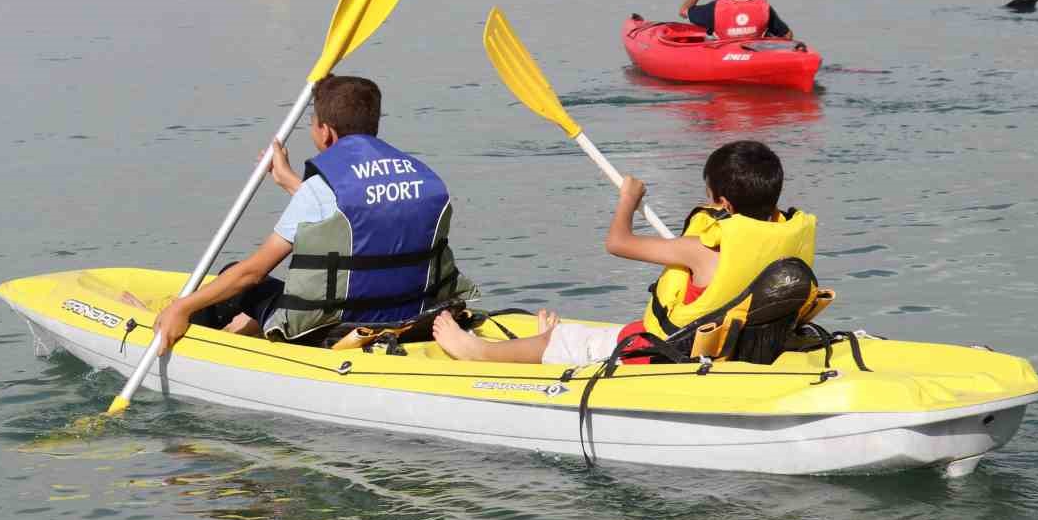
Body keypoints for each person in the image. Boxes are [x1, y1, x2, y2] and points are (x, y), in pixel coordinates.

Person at [151, 75, 479, 349]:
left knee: (235, 276)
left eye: (312, 124)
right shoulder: (421, 176)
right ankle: (234, 332)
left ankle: (181, 331)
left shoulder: (320, 190)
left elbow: (252, 273)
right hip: (413, 316)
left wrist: (183, 307)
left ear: (325, 132)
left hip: (335, 328)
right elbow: (360, 217)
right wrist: (289, 180)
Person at [432, 140, 816, 365]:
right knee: (574, 338)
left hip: (668, 353)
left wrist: (627, 201)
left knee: (560, 343)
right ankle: (548, 343)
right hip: (731, 346)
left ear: (724, 203)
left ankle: (476, 349)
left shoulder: (702, 250)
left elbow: (618, 243)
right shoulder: (782, 237)